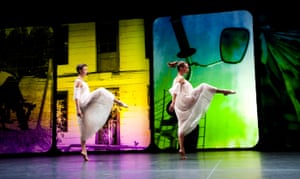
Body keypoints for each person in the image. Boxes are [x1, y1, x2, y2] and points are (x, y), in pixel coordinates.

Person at [167, 61, 236, 160]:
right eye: (186, 67)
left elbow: (176, 90)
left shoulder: (177, 78)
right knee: (204, 86)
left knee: (181, 126)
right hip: (185, 99)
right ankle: (223, 91)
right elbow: (175, 91)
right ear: (181, 68)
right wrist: (173, 103)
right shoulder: (180, 78)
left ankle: (182, 149)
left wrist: (174, 103)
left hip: (180, 105)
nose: (188, 69)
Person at [74, 64, 128, 161]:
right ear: (80, 71)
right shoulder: (78, 81)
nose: (87, 71)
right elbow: (76, 96)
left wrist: (79, 110)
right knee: (101, 90)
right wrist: (78, 109)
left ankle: (83, 150)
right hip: (84, 102)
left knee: (84, 129)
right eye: (85, 69)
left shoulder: (82, 82)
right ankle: (119, 102)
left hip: (85, 105)